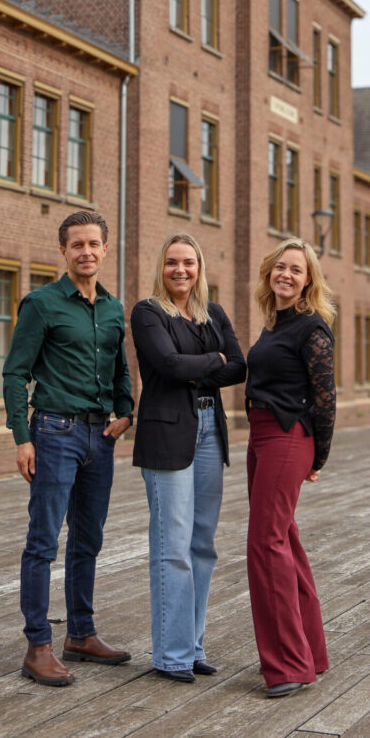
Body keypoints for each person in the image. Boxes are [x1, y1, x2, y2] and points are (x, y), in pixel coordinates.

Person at [3, 210, 134, 687]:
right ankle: (38, 646)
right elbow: (15, 373)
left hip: (101, 437)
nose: (86, 252)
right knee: (43, 541)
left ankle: (80, 634)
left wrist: (126, 411)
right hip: (54, 432)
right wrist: (22, 437)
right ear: (63, 251)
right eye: (77, 244)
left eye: (93, 244)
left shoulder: (114, 308)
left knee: (88, 540)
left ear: (105, 249)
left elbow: (120, 369)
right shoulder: (41, 304)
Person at [130, 233, 246, 682]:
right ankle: (172, 655)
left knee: (202, 545)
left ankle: (193, 646)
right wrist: (214, 359)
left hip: (210, 429)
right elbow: (169, 365)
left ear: (200, 268)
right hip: (167, 434)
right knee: (172, 545)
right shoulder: (147, 312)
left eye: (189, 262)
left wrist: (198, 367)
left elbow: (239, 366)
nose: (180, 270)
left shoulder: (213, 313)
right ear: (161, 268)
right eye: (172, 262)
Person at [245, 237, 336, 699]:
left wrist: (317, 458)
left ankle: (288, 666)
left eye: (296, 270)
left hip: (287, 437)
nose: (286, 274)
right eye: (281, 266)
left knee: (266, 544)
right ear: (270, 272)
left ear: (307, 281)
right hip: (261, 437)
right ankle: (311, 653)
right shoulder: (274, 324)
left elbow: (326, 397)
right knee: (284, 541)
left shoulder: (311, 327)